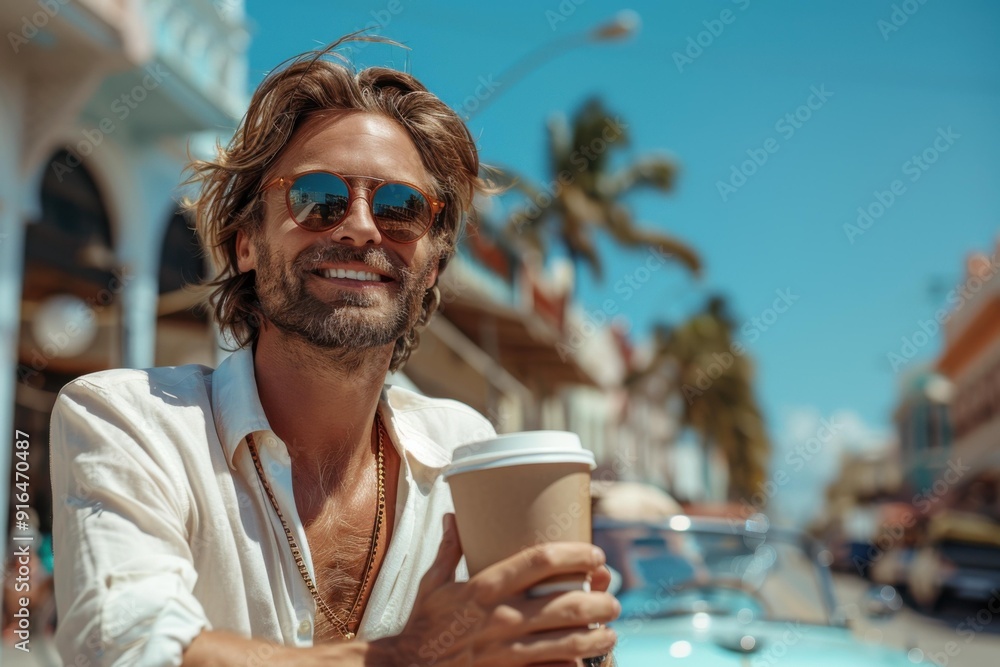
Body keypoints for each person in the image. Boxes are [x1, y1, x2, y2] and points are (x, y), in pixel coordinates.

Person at [50, 37, 620, 666]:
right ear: (245, 244)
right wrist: (407, 656)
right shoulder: (129, 422)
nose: (359, 226)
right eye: (317, 198)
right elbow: (130, 651)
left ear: (431, 266)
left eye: (401, 208)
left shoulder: (466, 453)